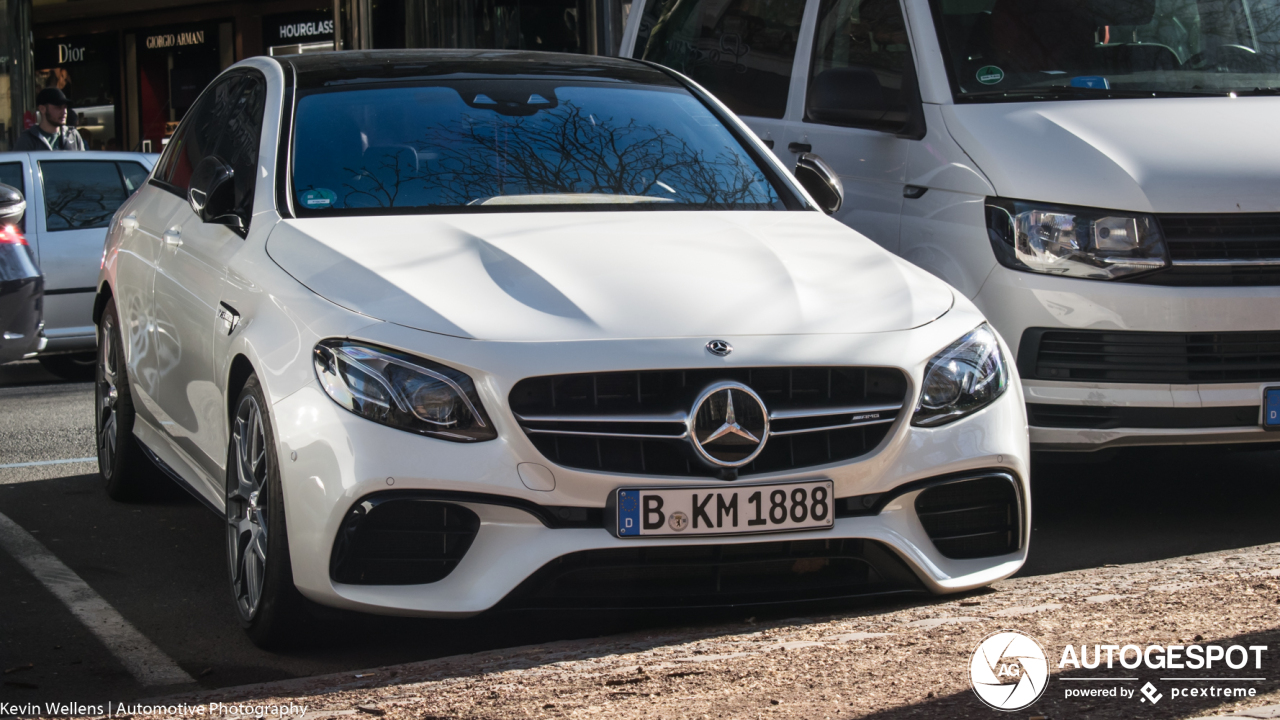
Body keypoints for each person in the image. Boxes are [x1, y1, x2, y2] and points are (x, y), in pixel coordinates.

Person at [14, 88, 86, 151]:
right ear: (42, 109)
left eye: (65, 107)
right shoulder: (28, 139)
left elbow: (84, 164)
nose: (64, 112)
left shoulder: (73, 135)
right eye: (58, 107)